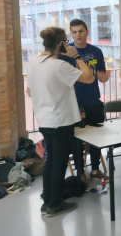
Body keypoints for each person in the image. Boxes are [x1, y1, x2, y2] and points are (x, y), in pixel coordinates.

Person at [27, 27, 94, 216]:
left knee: (51, 161)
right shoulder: (58, 65)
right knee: (60, 163)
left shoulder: (33, 62)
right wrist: (77, 56)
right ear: (61, 44)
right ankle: (54, 204)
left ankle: (47, 199)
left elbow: (30, 91)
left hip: (44, 120)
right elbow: (89, 78)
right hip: (61, 121)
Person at [58, 19, 110, 183]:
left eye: (81, 31)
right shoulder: (64, 53)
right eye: (74, 32)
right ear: (71, 34)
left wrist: (105, 76)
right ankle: (80, 173)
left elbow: (102, 76)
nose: (78, 35)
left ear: (87, 31)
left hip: (93, 100)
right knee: (77, 141)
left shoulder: (96, 51)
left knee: (97, 137)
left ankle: (95, 170)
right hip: (74, 102)